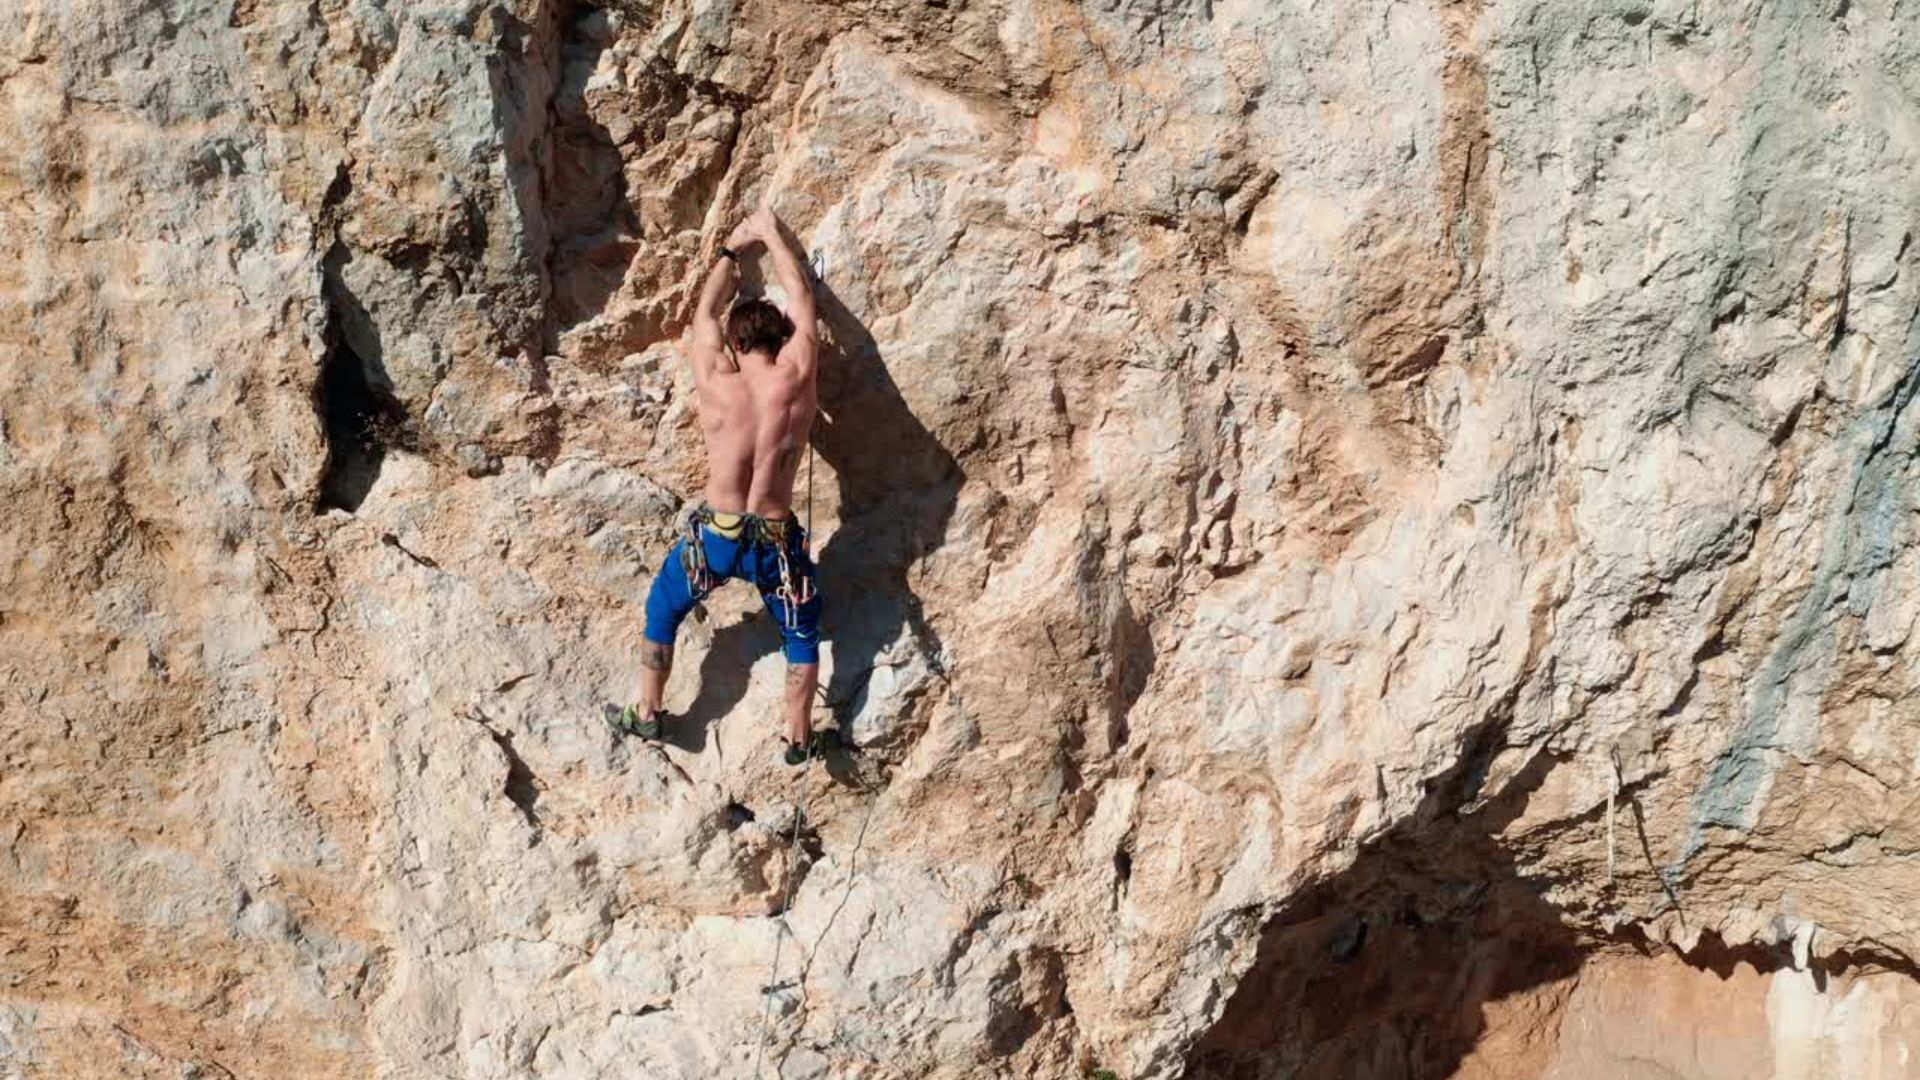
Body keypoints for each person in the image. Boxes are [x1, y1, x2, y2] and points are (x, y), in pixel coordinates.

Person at [608, 208, 828, 766]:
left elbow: (705, 310)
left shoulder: (716, 379)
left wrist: (732, 251)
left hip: (717, 537)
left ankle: (649, 713)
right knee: (800, 640)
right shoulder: (797, 372)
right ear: (780, 339)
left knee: (663, 613)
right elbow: (804, 301)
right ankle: (798, 741)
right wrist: (774, 234)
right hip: (777, 543)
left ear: (733, 342)